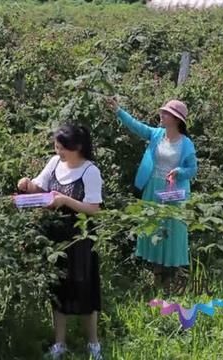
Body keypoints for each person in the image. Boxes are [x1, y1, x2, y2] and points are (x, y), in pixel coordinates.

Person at [17, 124, 103, 360]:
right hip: (54, 238)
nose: (58, 151)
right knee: (58, 291)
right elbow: (40, 186)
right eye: (56, 147)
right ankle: (59, 343)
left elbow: (94, 210)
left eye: (61, 147)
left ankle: (93, 344)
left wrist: (65, 200)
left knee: (85, 288)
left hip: (81, 239)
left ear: (76, 147)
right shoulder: (54, 163)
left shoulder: (90, 171)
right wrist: (27, 185)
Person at [105, 98, 198, 289]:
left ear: (176, 119)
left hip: (174, 192)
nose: (161, 115)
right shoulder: (157, 134)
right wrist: (118, 111)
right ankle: (157, 281)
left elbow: (193, 170)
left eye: (166, 113)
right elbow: (136, 126)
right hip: (153, 189)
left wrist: (179, 172)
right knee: (153, 228)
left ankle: (171, 280)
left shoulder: (186, 143)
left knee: (172, 232)